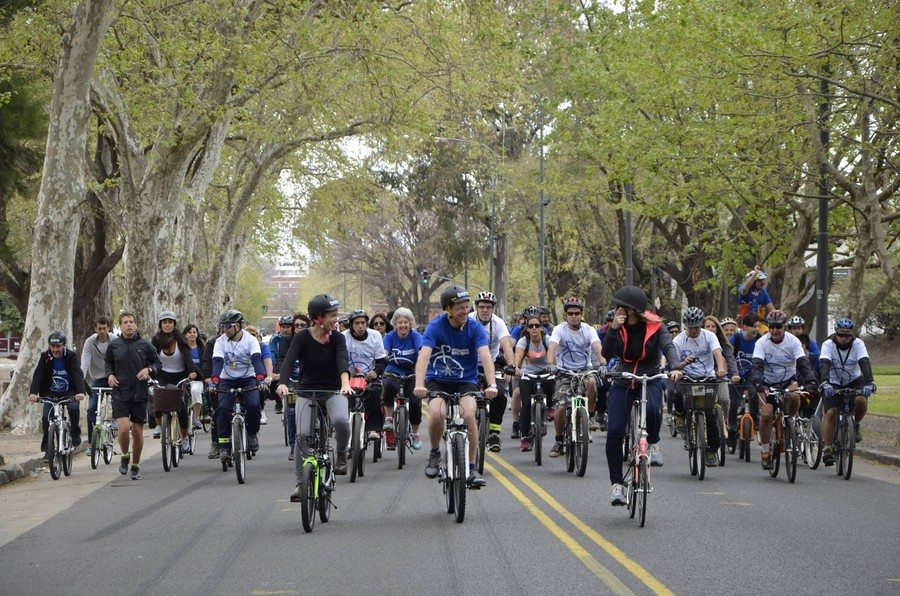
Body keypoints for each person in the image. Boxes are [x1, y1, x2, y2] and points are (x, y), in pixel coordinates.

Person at [602, 286, 683, 505]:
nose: (617, 309)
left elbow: (668, 346)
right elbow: (606, 353)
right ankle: (617, 485)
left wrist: (674, 366)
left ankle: (654, 443)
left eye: (621, 306)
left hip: (651, 376)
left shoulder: (656, 326)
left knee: (652, 410)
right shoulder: (615, 326)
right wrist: (612, 329)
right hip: (623, 377)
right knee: (615, 430)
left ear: (632, 310)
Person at [413, 286, 497, 488]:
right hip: (438, 379)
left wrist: (492, 384)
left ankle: (471, 466)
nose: (465, 312)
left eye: (467, 308)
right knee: (435, 413)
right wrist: (419, 384)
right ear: (448, 309)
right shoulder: (436, 327)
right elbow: (424, 356)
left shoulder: (474, 327)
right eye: (459, 308)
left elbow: (485, 356)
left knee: (468, 415)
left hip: (465, 380)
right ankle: (434, 452)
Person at [276, 294, 352, 500]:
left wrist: (345, 383)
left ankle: (342, 454)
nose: (336, 319)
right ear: (318, 318)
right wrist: (282, 383)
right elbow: (289, 361)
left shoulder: (338, 338)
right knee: (301, 436)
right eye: (332, 315)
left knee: (341, 422)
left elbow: (342, 360)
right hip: (306, 392)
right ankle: (301, 485)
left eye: (336, 315)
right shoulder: (301, 338)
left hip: (332, 391)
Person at [750, 310, 817, 470]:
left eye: (778, 327)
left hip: (788, 380)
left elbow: (803, 363)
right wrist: (758, 382)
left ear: (784, 327)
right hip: (768, 382)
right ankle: (766, 451)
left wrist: (811, 380)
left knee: (794, 397)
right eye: (772, 327)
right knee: (766, 415)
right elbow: (757, 366)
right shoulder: (762, 343)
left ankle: (790, 422)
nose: (775, 330)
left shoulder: (793, 341)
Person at [546, 297, 605, 458]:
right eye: (570, 313)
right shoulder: (559, 329)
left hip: (585, 370)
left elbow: (598, 347)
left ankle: (591, 417)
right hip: (564, 373)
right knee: (560, 408)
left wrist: (603, 363)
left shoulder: (588, 330)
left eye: (577, 313)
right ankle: (559, 441)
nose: (574, 316)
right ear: (565, 315)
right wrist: (551, 363)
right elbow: (552, 347)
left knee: (592, 382)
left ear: (581, 314)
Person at [105, 312, 161, 480]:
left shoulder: (145, 345)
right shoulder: (114, 345)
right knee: (123, 429)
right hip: (120, 392)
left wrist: (149, 370)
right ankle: (124, 455)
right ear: (120, 326)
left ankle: (135, 465)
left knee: (137, 431)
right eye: (125, 322)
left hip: (140, 392)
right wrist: (109, 375)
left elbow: (157, 363)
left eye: (131, 322)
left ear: (135, 325)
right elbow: (108, 363)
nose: (128, 325)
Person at [671, 307, 727, 467]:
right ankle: (680, 416)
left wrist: (721, 369)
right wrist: (677, 368)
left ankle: (711, 450)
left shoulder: (709, 336)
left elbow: (718, 354)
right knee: (677, 394)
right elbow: (674, 362)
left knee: (709, 414)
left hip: (707, 378)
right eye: (691, 327)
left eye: (697, 326)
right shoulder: (678, 341)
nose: (694, 330)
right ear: (686, 326)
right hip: (686, 378)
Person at [209, 310, 266, 464]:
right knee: (222, 410)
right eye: (223, 326)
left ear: (238, 325)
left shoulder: (250, 340)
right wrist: (214, 382)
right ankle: (224, 447)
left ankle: (252, 434)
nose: (225, 329)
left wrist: (260, 379)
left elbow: (256, 360)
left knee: (254, 406)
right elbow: (217, 362)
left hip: (248, 378)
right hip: (227, 379)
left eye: (228, 326)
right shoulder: (220, 342)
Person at [818, 318, 875, 466]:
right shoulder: (828, 345)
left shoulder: (858, 344)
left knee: (862, 400)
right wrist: (825, 382)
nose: (843, 339)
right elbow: (824, 364)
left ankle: (855, 424)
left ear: (851, 335)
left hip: (854, 380)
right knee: (831, 413)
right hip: (832, 382)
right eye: (841, 336)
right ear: (836, 334)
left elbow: (865, 363)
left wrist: (869, 383)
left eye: (847, 336)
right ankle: (828, 448)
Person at [28, 331, 87, 462]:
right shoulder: (45, 356)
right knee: (45, 418)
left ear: (63, 346)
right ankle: (47, 451)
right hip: (50, 392)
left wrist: (80, 392)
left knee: (73, 408)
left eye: (58, 346)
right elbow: (39, 374)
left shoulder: (71, 356)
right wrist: (33, 393)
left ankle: (75, 431)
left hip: (69, 391)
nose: (55, 349)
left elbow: (77, 373)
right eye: (52, 346)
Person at [469, 291, 515, 451]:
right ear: (476, 308)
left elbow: (507, 346)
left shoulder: (498, 323)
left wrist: (511, 366)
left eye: (488, 307)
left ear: (493, 309)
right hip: (470, 363)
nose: (485, 310)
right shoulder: (468, 320)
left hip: (493, 363)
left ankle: (494, 433)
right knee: (464, 394)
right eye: (481, 307)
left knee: (501, 393)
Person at [150, 311, 198, 452]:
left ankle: (184, 438)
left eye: (170, 322)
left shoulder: (181, 340)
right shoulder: (156, 340)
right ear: (160, 324)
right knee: (156, 397)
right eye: (164, 322)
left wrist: (192, 371)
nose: (167, 325)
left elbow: (188, 358)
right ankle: (159, 425)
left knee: (181, 407)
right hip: (162, 375)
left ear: (174, 324)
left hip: (180, 376)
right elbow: (150, 358)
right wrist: (148, 370)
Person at [342, 310, 389, 443]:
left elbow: (381, 360)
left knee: (375, 393)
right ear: (351, 325)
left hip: (369, 376)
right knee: (347, 399)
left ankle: (373, 428)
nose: (360, 326)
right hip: (349, 377)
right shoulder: (343, 336)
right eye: (357, 323)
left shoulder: (375, 336)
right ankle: (347, 431)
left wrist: (375, 372)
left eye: (363, 323)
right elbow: (340, 359)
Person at [382, 308, 425, 450]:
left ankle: (415, 433)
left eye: (406, 322)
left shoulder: (415, 336)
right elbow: (385, 351)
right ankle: (389, 418)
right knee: (387, 385)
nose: (403, 325)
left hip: (411, 372)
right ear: (395, 324)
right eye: (400, 322)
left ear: (410, 323)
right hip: (393, 370)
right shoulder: (389, 336)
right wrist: (383, 357)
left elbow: (421, 351)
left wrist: (422, 363)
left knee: (414, 401)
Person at [513, 310, 555, 452]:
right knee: (525, 405)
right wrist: (517, 367)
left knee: (551, 379)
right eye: (531, 326)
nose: (534, 328)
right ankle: (525, 437)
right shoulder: (523, 341)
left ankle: (550, 407)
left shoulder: (547, 340)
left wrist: (554, 366)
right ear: (527, 329)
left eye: (537, 325)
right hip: (528, 374)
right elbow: (518, 356)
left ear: (542, 327)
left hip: (545, 372)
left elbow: (553, 355)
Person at [703, 315, 742, 450]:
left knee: (725, 399)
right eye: (707, 326)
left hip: (719, 376)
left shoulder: (723, 342)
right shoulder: (699, 340)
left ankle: (723, 421)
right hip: (703, 377)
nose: (710, 329)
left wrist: (735, 373)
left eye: (713, 326)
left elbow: (730, 359)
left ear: (717, 329)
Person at [81, 316, 112, 457]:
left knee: (119, 402)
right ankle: (91, 443)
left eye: (104, 328)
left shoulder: (114, 340)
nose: (102, 331)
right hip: (98, 379)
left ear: (108, 328)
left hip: (113, 378)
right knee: (92, 408)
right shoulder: (89, 342)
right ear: (95, 329)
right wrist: (80, 379)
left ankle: (114, 424)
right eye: (99, 328)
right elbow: (85, 361)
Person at [245, 325, 274, 425]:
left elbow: (267, 361)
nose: (251, 337)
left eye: (253, 335)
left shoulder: (262, 347)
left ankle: (261, 410)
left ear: (257, 336)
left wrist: (269, 376)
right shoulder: (240, 346)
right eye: (248, 335)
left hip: (258, 376)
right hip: (242, 376)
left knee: (261, 387)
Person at [268, 315, 295, 415]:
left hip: (294, 362)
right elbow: (272, 354)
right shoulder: (275, 339)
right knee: (273, 380)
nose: (286, 329)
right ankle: (278, 403)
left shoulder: (296, 337)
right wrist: (272, 371)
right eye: (283, 327)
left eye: (288, 327)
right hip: (280, 362)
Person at [738, 265, 775, 330]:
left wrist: (778, 316)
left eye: (763, 280)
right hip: (743, 324)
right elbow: (745, 288)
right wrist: (755, 274)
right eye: (759, 281)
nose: (763, 283)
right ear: (753, 282)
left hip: (758, 323)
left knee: (766, 332)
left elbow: (771, 308)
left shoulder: (763, 292)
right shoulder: (744, 290)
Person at [183, 324, 205, 430]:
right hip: (184, 379)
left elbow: (206, 365)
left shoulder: (202, 349)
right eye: (189, 332)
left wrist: (199, 374)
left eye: (194, 332)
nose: (192, 334)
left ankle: (196, 417)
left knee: (196, 391)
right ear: (185, 335)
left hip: (198, 380)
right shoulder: (181, 349)